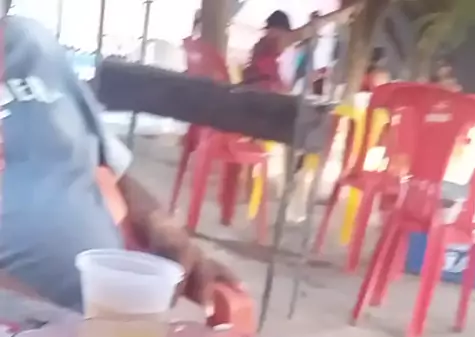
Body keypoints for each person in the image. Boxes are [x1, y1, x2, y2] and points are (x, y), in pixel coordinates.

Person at [0, 4, 241, 312]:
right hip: (28, 326)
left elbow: (108, 165)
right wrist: (51, 320)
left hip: (108, 315)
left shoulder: (32, 44)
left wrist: (168, 233)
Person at [242, 6, 358, 93]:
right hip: (260, 101)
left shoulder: (265, 51)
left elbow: (285, 89)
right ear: (275, 29)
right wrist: (338, 17)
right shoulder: (270, 43)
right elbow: (303, 33)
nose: (286, 38)